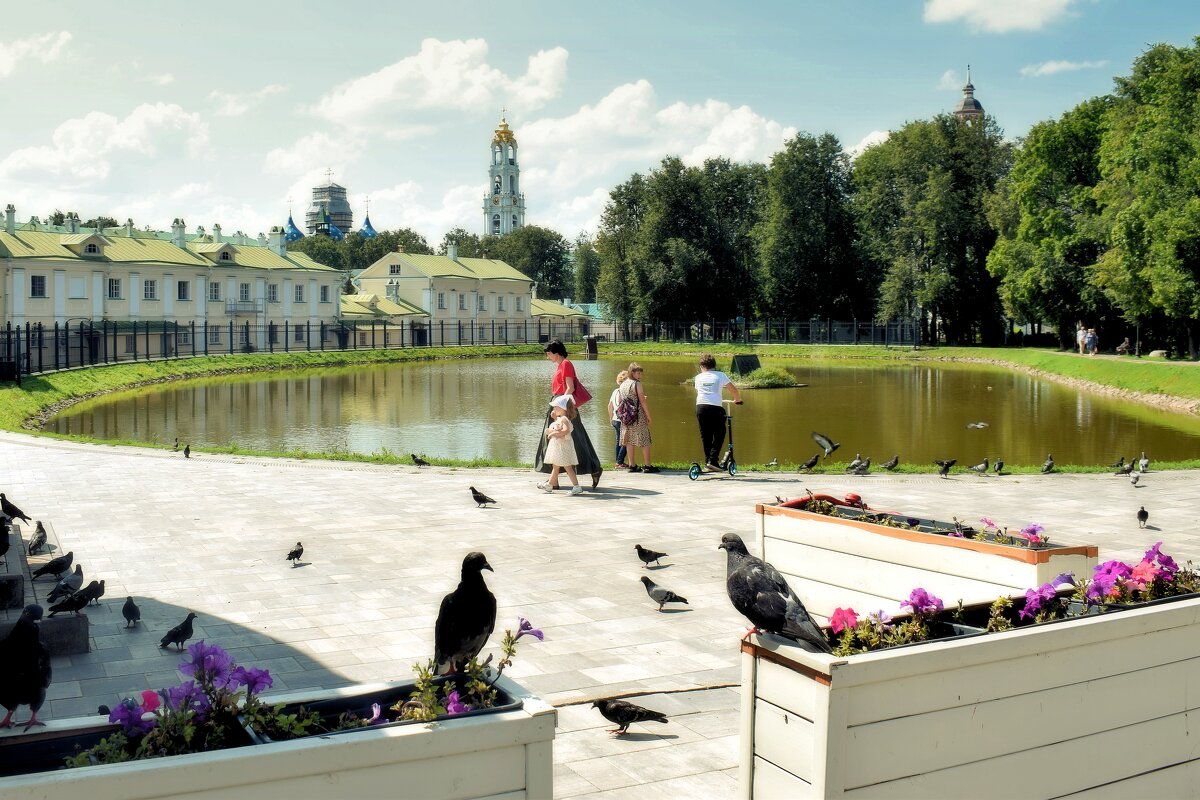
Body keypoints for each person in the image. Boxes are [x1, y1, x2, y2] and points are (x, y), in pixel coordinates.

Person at [535, 339, 603, 489]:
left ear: (556, 353)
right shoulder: (561, 365)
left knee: (575, 438)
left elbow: (570, 388)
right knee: (557, 440)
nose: (547, 357)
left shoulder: (566, 364)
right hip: (559, 403)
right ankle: (554, 481)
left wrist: (561, 408)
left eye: (548, 354)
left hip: (563, 405)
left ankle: (594, 468)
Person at [693, 354, 743, 471]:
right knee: (720, 433)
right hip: (715, 407)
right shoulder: (721, 375)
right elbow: (732, 389)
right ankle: (713, 460)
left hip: (700, 407)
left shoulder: (698, 377)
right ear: (714, 366)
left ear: (702, 366)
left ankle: (708, 462)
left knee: (706, 435)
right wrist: (738, 400)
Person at [538, 396, 584, 496]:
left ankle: (577, 486)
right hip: (560, 447)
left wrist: (553, 434)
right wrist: (555, 418)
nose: (554, 409)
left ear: (563, 408)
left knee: (567, 467)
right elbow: (559, 426)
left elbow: (565, 430)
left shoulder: (564, 419)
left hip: (563, 447)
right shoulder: (561, 418)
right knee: (556, 466)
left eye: (555, 407)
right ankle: (549, 485)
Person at [618, 363, 657, 473]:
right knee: (644, 439)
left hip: (626, 416)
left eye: (641, 373)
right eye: (638, 373)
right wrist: (648, 416)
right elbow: (643, 401)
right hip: (638, 415)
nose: (640, 375)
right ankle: (647, 465)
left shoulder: (623, 384)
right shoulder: (637, 384)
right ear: (632, 373)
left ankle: (632, 465)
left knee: (629, 440)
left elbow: (620, 401)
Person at [607, 370, 630, 469]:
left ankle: (618, 461)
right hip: (623, 420)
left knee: (618, 441)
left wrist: (610, 418)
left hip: (615, 419)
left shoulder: (615, 391)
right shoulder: (624, 392)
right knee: (626, 441)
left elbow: (609, 406)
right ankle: (619, 462)